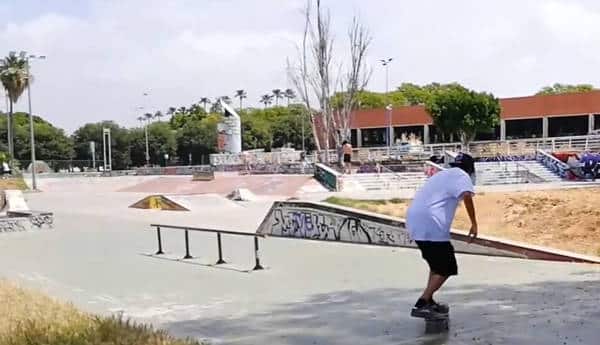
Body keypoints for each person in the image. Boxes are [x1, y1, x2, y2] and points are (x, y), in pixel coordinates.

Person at [406, 152, 478, 319]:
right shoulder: (462, 175)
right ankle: (422, 303)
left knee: (436, 265)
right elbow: (467, 195)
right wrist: (474, 223)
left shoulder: (443, 174)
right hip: (432, 224)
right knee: (447, 267)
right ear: (470, 169)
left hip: (415, 221)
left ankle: (429, 300)